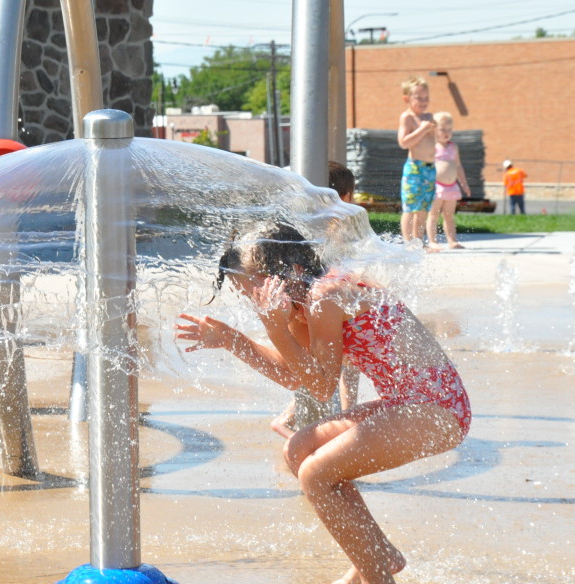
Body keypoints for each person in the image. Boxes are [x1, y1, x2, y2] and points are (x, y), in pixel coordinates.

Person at [176, 223, 471, 584]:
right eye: (244, 292)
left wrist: (274, 329)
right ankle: (378, 556)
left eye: (252, 287)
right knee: (299, 449)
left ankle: (378, 577)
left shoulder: (325, 296)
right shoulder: (303, 306)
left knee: (316, 475)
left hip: (437, 409)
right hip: (408, 402)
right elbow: (294, 376)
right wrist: (230, 339)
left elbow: (320, 385)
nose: (251, 298)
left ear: (292, 270)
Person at [271, 161, 359, 436]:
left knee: (317, 366)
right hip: (323, 311)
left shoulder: (305, 229)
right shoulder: (337, 232)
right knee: (340, 365)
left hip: (311, 311)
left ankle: (341, 416)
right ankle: (345, 417)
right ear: (343, 198)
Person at [396, 76, 437, 246]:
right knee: (410, 208)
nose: (423, 101)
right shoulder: (408, 117)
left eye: (426, 98)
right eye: (418, 98)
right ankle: (407, 242)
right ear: (407, 99)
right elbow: (404, 142)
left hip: (430, 168)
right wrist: (422, 129)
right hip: (414, 169)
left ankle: (419, 242)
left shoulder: (429, 116)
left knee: (422, 209)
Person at [426, 112, 470, 250]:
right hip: (437, 186)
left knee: (449, 215)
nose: (447, 133)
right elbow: (427, 165)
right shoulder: (432, 146)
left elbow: (458, 165)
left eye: (449, 129)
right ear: (434, 130)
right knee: (433, 214)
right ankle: (432, 241)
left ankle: (452, 241)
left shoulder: (453, 147)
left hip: (452, 187)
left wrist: (464, 183)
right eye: (442, 129)